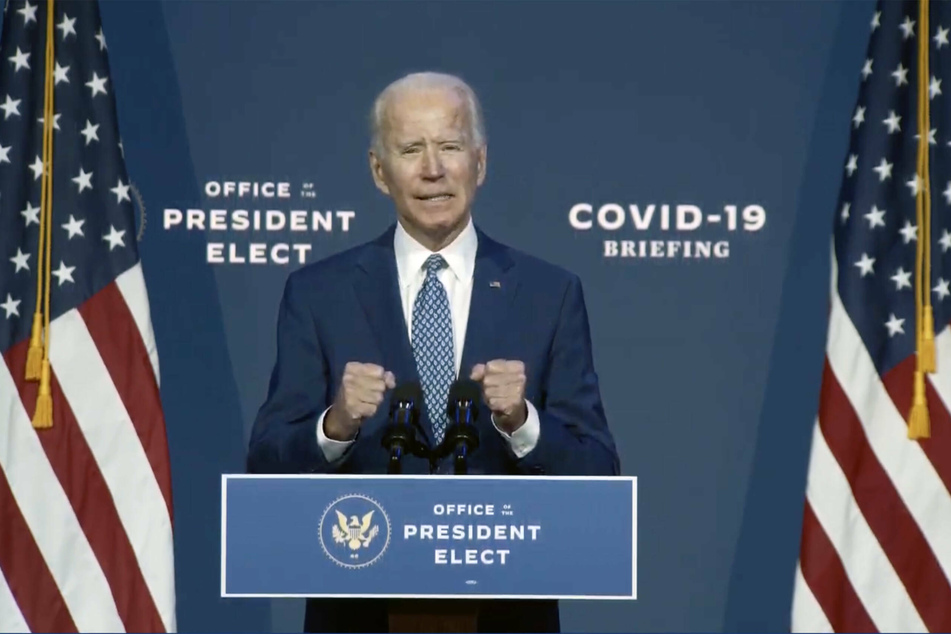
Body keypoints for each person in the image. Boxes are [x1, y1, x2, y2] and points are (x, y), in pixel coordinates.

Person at [247, 71, 620, 633]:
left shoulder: (550, 294)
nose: (432, 169)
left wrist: (523, 422)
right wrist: (337, 423)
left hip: (506, 615)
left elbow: (599, 474)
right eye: (410, 149)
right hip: (359, 613)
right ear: (379, 170)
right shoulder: (318, 293)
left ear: (481, 162)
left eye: (449, 146)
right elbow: (265, 465)